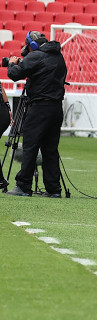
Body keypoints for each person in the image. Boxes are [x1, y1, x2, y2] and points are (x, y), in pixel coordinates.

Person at [4, 31, 67, 198]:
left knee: (30, 146)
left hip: (39, 107)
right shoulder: (58, 56)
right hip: (56, 108)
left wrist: (12, 64)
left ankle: (23, 186)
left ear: (32, 45)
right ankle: (54, 189)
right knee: (50, 149)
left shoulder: (36, 56)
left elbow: (14, 74)